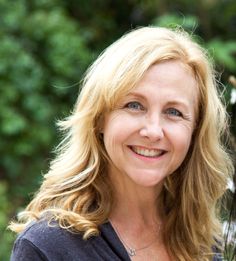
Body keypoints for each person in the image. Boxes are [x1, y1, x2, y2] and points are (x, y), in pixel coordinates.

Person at [9, 26, 234, 261]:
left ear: (195, 131)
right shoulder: (48, 247)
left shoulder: (203, 242)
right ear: (99, 119)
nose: (153, 131)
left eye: (174, 112)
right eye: (134, 105)